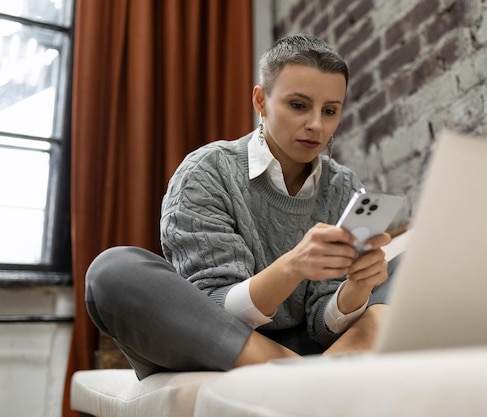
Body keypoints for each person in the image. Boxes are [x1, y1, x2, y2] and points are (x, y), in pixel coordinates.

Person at [85, 33, 399, 380]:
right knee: (112, 272)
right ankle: (308, 380)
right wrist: (292, 267)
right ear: (261, 101)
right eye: (298, 105)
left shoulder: (344, 186)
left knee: (410, 264)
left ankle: (314, 377)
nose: (316, 125)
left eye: (330, 111)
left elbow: (322, 325)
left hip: (311, 347)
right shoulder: (206, 171)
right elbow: (214, 311)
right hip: (215, 345)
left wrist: (356, 290)